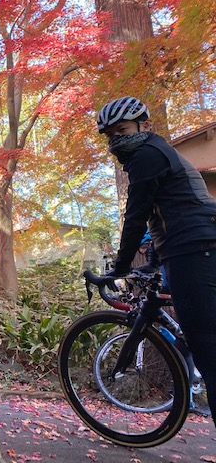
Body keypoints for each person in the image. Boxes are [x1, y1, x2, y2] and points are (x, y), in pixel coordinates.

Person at [98, 96, 216, 421]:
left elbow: (136, 216)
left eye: (121, 130)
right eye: (110, 135)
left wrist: (120, 268)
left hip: (193, 247)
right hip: (191, 245)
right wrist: (152, 258)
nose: (117, 140)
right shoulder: (157, 151)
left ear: (142, 124)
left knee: (207, 349)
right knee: (199, 339)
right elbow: (161, 213)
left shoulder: (147, 155)